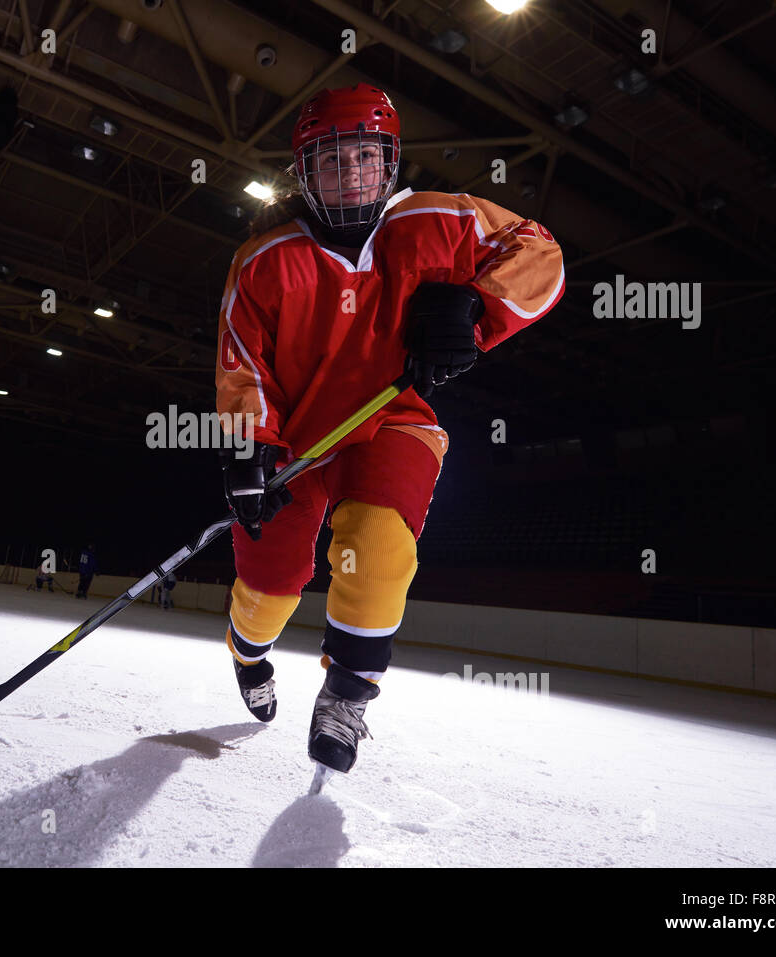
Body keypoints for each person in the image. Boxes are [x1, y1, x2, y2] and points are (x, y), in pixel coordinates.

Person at [215, 84, 563, 775]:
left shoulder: (442, 221)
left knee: (379, 548)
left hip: (392, 424)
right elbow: (242, 361)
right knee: (270, 587)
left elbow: (540, 253)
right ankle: (248, 652)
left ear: (389, 161)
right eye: (330, 161)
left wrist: (475, 306)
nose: (350, 174)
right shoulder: (263, 259)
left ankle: (348, 691)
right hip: (295, 445)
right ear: (304, 173)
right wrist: (250, 448)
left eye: (364, 157)